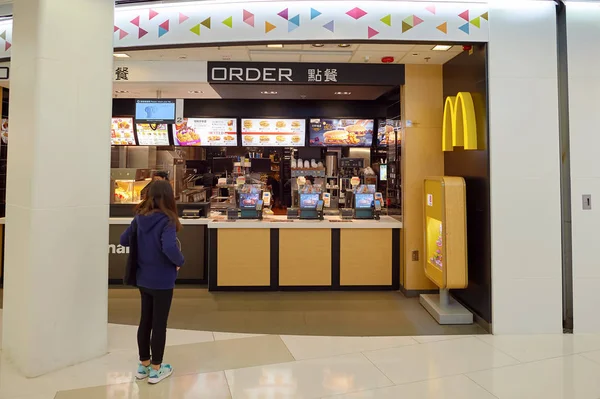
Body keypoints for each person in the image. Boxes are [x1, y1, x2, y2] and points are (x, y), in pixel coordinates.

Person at [120, 180, 184, 385]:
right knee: (159, 324)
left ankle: (144, 365)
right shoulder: (168, 220)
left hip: (143, 277)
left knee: (145, 321)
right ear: (168, 197)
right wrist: (179, 262)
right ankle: (157, 369)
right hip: (163, 279)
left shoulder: (140, 218)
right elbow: (170, 248)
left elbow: (123, 240)